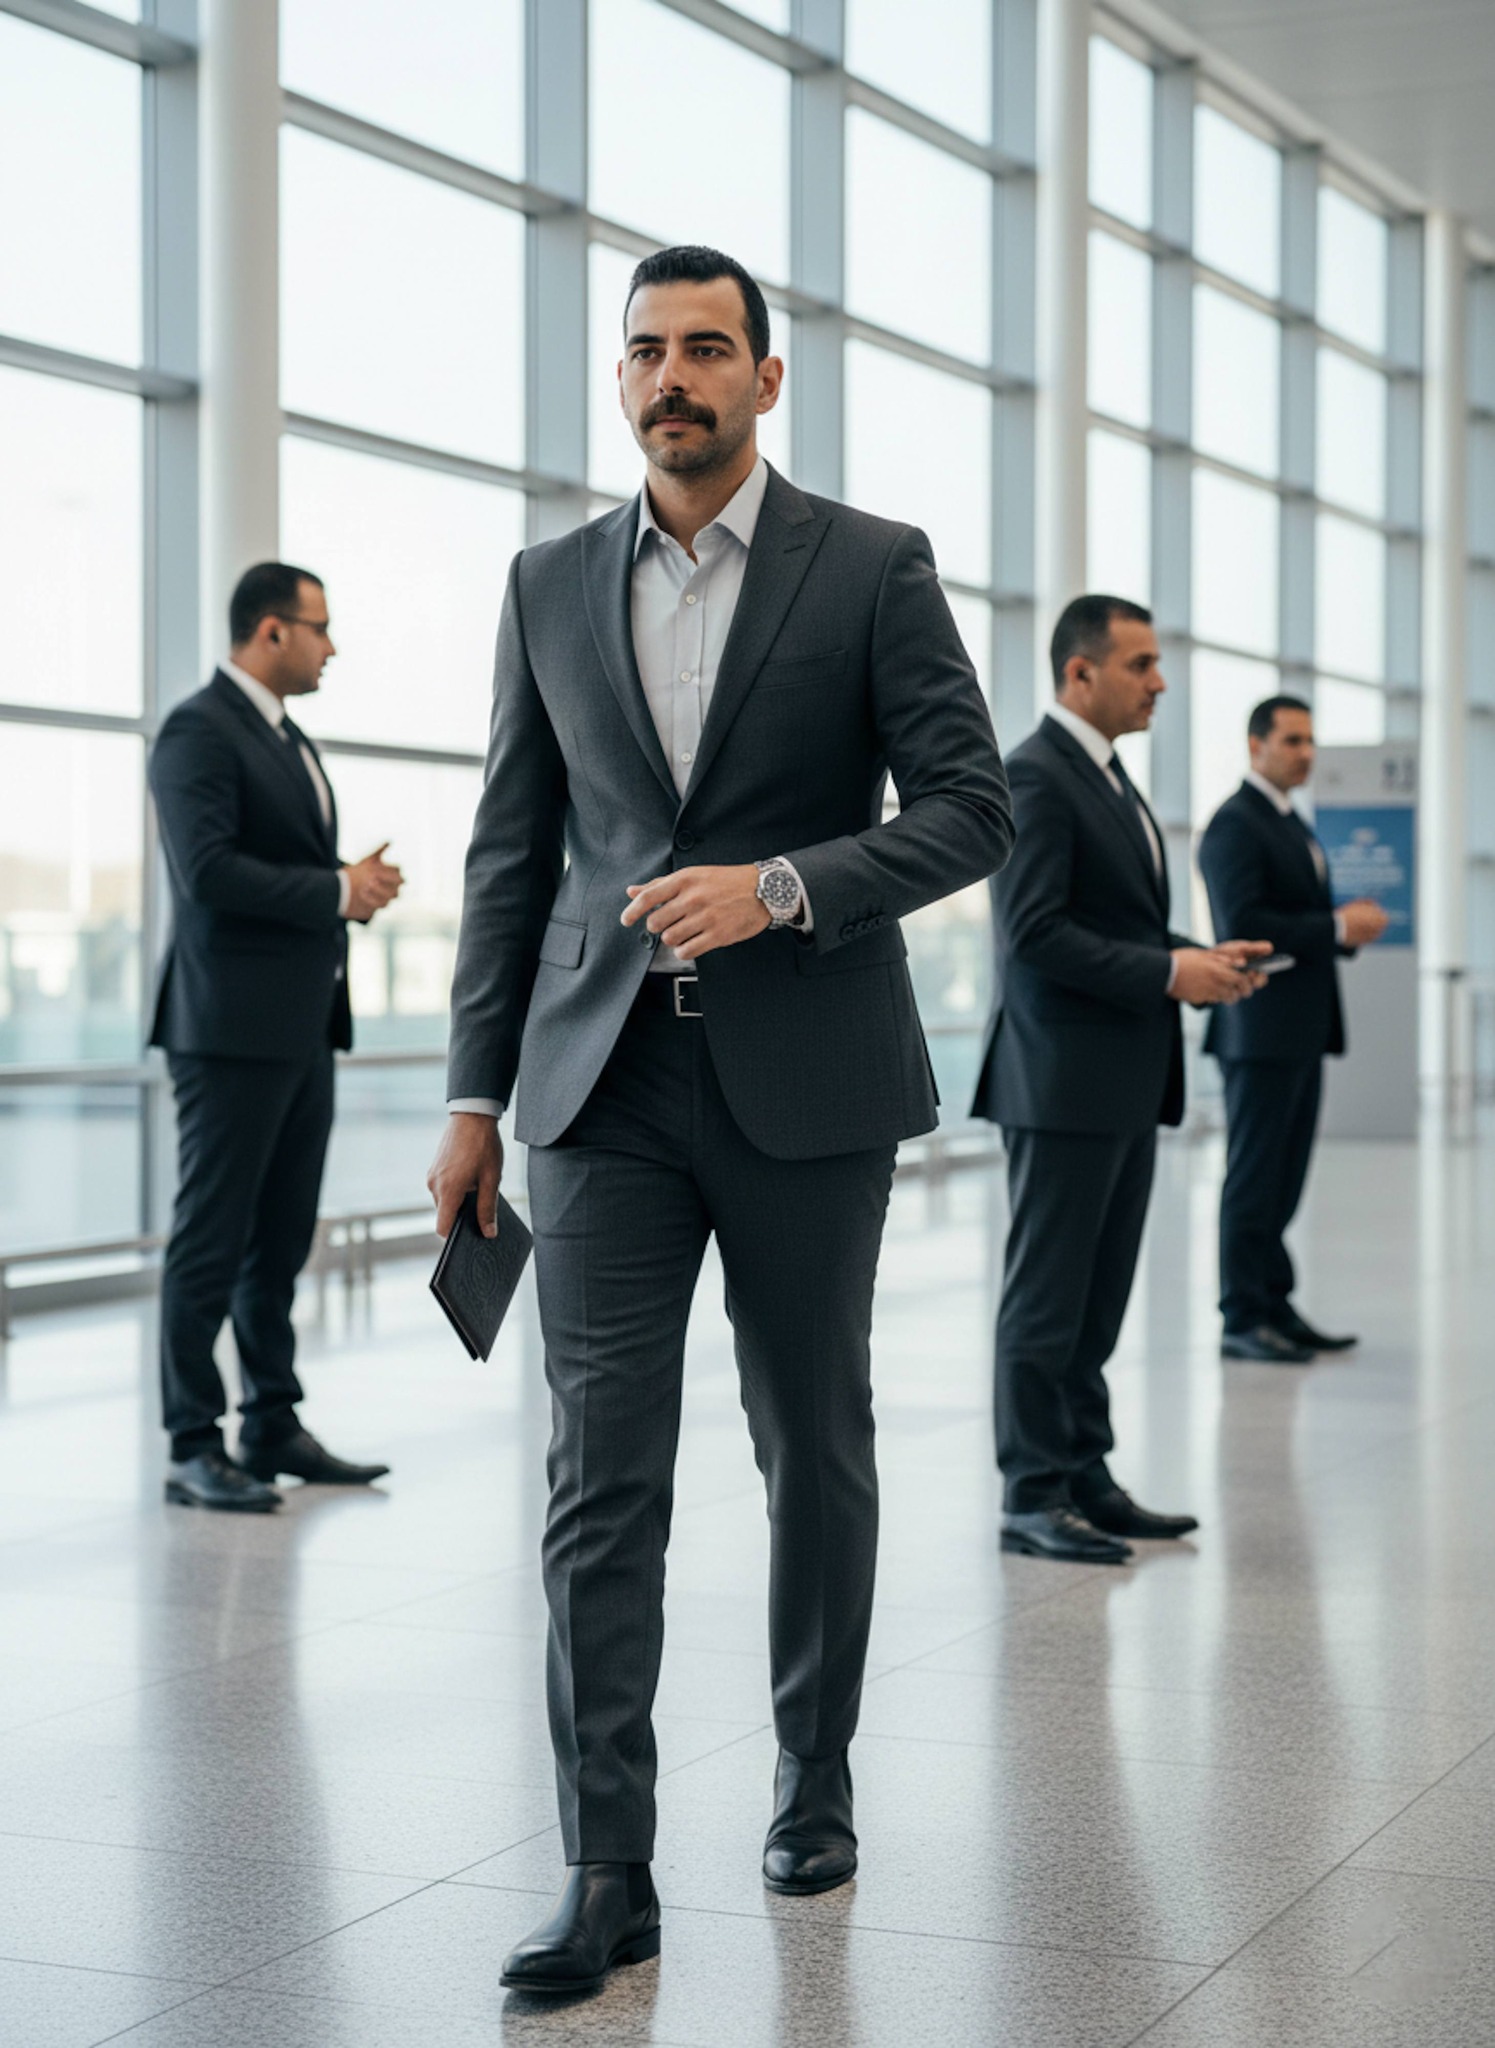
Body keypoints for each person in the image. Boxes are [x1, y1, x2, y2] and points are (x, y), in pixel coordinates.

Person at [427, 244, 1013, 1995]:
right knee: (598, 1477)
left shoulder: (875, 567)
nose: (669, 377)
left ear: (768, 376)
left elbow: (973, 807)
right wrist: (473, 1092)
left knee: (807, 1438)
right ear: (619, 382)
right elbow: (510, 859)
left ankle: (812, 1771)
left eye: (703, 348)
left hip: (806, 1077)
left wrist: (781, 885)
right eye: (643, 353)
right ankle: (607, 1866)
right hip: (597, 1088)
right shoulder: (543, 583)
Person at [972, 595, 1270, 1564]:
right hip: (1059, 1082)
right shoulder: (1035, 773)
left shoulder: (1102, 776)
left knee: (1095, 1297)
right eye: (1140, 664)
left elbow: (1116, 924)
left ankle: (1082, 1471)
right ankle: (1029, 1489)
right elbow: (1033, 934)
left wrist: (1195, 954)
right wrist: (1164, 972)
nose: (1160, 682)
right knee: (1046, 1295)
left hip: (1117, 1078)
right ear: (1078, 672)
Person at [148, 562, 403, 1511]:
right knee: (211, 1242)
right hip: (226, 1033)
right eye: (320, 628)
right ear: (269, 632)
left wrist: (345, 884)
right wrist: (336, 891)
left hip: (299, 1026)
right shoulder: (195, 732)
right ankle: (190, 1441)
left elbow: (273, 866)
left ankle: (269, 1422)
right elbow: (209, 874)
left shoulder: (285, 738)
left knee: (279, 1241)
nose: (331, 646)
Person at [1197, 695, 1388, 1362]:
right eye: (1291, 741)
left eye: (1310, 741)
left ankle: (1273, 1302)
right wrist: (1336, 928)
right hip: (1258, 1030)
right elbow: (1244, 923)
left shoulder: (1287, 821)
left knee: (1282, 1177)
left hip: (1296, 1029)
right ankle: (1241, 1316)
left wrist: (1338, 926)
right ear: (1255, 746)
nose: (1305, 753)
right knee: (1254, 1177)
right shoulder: (1233, 824)